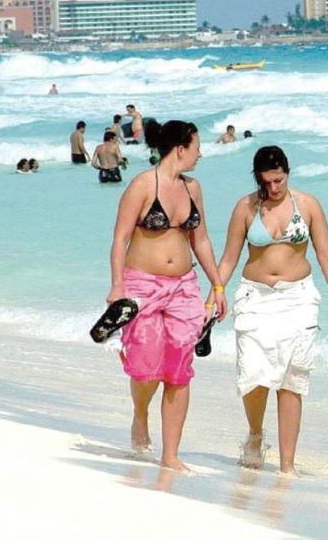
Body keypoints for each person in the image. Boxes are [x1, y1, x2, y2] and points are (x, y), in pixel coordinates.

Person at [214, 145, 328, 474]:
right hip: (254, 297)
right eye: (266, 183)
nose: (273, 189)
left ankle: (287, 466)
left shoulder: (308, 205)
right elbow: (230, 257)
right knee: (253, 376)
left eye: (278, 180)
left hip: (298, 297)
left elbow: (326, 256)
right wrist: (215, 292)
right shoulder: (246, 207)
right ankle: (256, 434)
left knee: (292, 378)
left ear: (287, 172)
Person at [106, 119, 227, 472]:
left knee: (178, 369)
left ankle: (171, 455)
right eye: (196, 146)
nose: (200, 153)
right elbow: (120, 239)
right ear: (180, 148)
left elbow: (200, 239)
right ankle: (140, 413)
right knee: (145, 369)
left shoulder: (194, 188)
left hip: (183, 288)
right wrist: (117, 286)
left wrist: (217, 285)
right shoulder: (142, 186)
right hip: (141, 286)